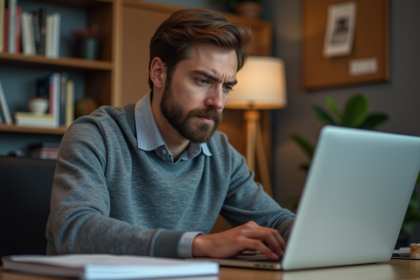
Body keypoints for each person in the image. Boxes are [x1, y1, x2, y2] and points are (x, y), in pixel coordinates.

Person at [46, 8, 295, 260]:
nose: (218, 102)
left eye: (227, 86)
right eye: (203, 81)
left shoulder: (220, 153)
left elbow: (275, 221)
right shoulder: (95, 136)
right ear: (159, 73)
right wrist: (197, 244)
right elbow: (74, 231)